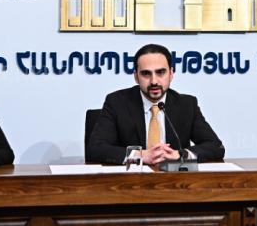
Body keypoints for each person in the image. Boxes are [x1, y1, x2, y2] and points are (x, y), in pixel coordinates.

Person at [86, 43, 225, 165]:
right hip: (129, 184)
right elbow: (96, 148)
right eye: (146, 74)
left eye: (160, 72)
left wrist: (181, 155)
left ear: (171, 74)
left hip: (175, 184)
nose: (154, 81)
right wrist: (140, 156)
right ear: (136, 76)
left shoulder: (187, 105)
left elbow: (215, 146)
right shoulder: (117, 102)